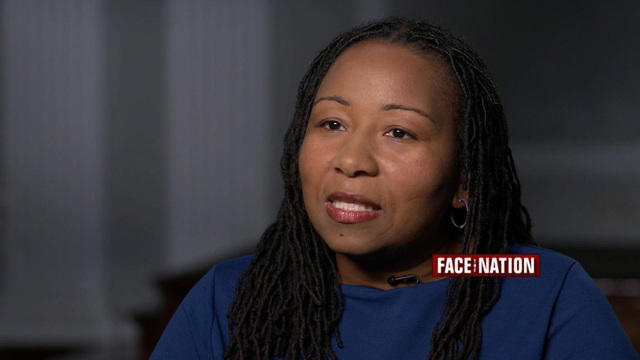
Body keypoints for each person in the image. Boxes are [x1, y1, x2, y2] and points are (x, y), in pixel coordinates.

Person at [151, 18, 638, 360]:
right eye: (332, 122)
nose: (351, 161)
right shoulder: (228, 296)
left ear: (465, 180)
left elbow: (505, 269)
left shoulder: (542, 286)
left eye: (399, 131)